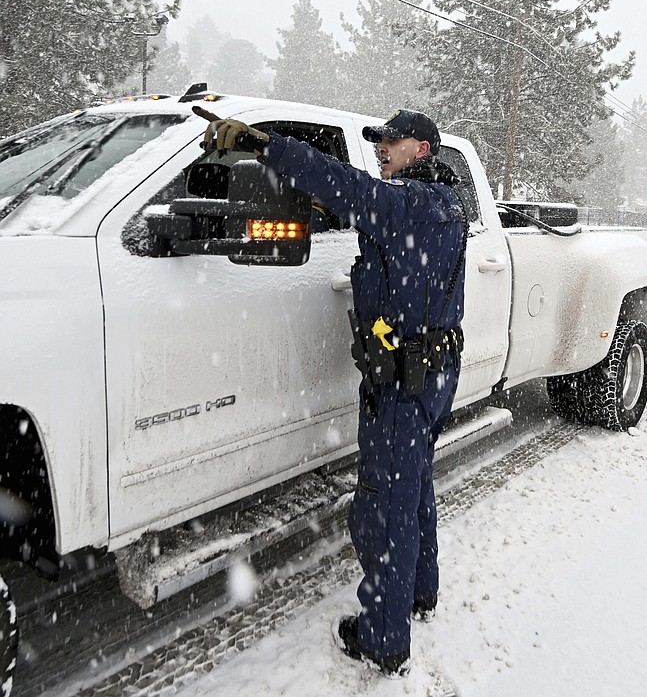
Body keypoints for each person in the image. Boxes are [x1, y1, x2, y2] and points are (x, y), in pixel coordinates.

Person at [196, 107, 467, 676]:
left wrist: (268, 146)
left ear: (421, 149)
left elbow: (354, 189)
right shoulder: (432, 205)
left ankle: (382, 638)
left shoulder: (411, 204)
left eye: (391, 142)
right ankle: (419, 594)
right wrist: (309, 209)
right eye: (378, 142)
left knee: (384, 504)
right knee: (413, 487)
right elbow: (354, 205)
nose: (381, 148)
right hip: (430, 374)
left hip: (403, 382)